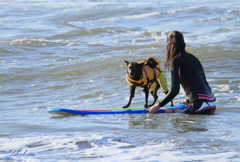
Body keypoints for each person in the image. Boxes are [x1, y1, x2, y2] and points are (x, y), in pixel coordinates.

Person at [149, 31, 216, 114]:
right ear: (183, 43)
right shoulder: (193, 57)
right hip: (211, 103)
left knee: (176, 121)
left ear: (169, 45)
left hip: (201, 105)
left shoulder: (176, 60)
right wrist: (188, 100)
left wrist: (158, 106)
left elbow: (175, 90)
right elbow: (200, 82)